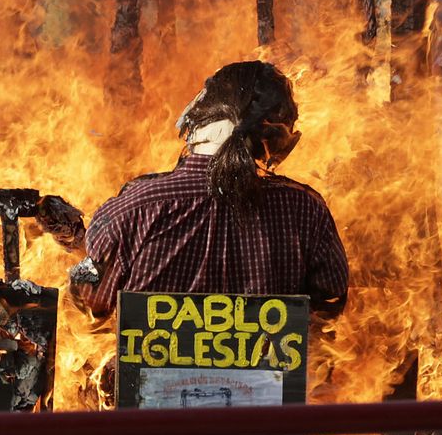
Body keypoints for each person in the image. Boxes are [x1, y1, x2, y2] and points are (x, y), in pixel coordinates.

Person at [72, 61, 349, 321]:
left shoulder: (135, 207)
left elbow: (91, 301)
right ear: (276, 138)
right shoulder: (306, 210)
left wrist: (81, 251)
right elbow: (329, 305)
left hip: (149, 360)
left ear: (197, 118)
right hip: (272, 359)